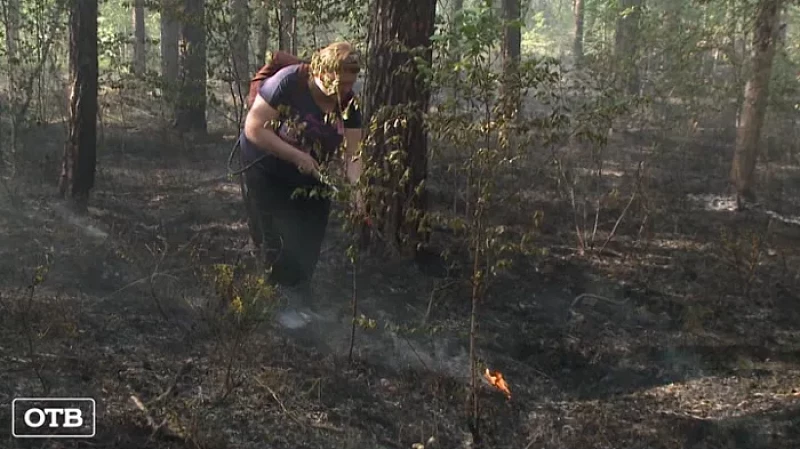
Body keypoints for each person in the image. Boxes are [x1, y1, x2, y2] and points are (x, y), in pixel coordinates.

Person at [238, 42, 364, 296]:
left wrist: (357, 191)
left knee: (310, 234)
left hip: (311, 171)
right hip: (266, 166)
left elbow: (353, 154)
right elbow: (254, 128)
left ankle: (300, 294)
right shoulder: (288, 83)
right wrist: (296, 156)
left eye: (350, 84)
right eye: (340, 83)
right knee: (276, 236)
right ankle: (272, 298)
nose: (345, 90)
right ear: (322, 73)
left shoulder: (349, 103)